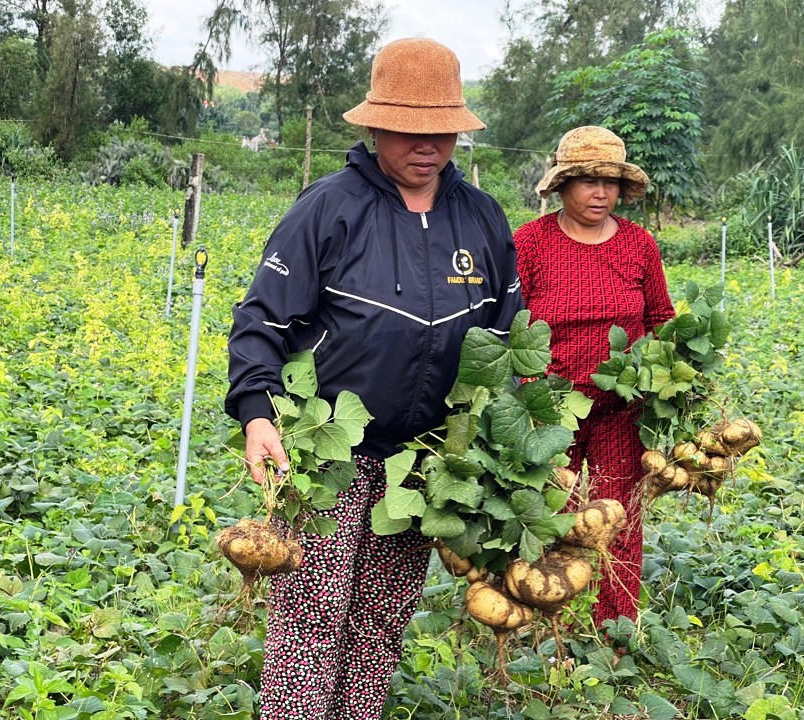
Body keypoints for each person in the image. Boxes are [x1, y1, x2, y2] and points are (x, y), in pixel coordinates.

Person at [224, 38, 524, 720]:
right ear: (375, 124)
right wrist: (258, 412)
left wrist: (500, 436)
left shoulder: (480, 217)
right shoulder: (328, 208)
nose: (428, 145)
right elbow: (262, 320)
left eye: (441, 130)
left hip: (420, 461)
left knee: (381, 615)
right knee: (313, 615)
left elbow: (505, 332)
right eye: (410, 129)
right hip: (330, 453)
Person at [513, 126, 675, 632]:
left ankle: (616, 628)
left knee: (619, 518)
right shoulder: (530, 243)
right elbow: (506, 325)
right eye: (586, 180)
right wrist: (526, 395)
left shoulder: (638, 245)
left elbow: (661, 319)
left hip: (618, 408)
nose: (600, 193)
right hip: (547, 410)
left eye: (609, 182)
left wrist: (668, 376)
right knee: (546, 516)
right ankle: (541, 621)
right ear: (562, 185)